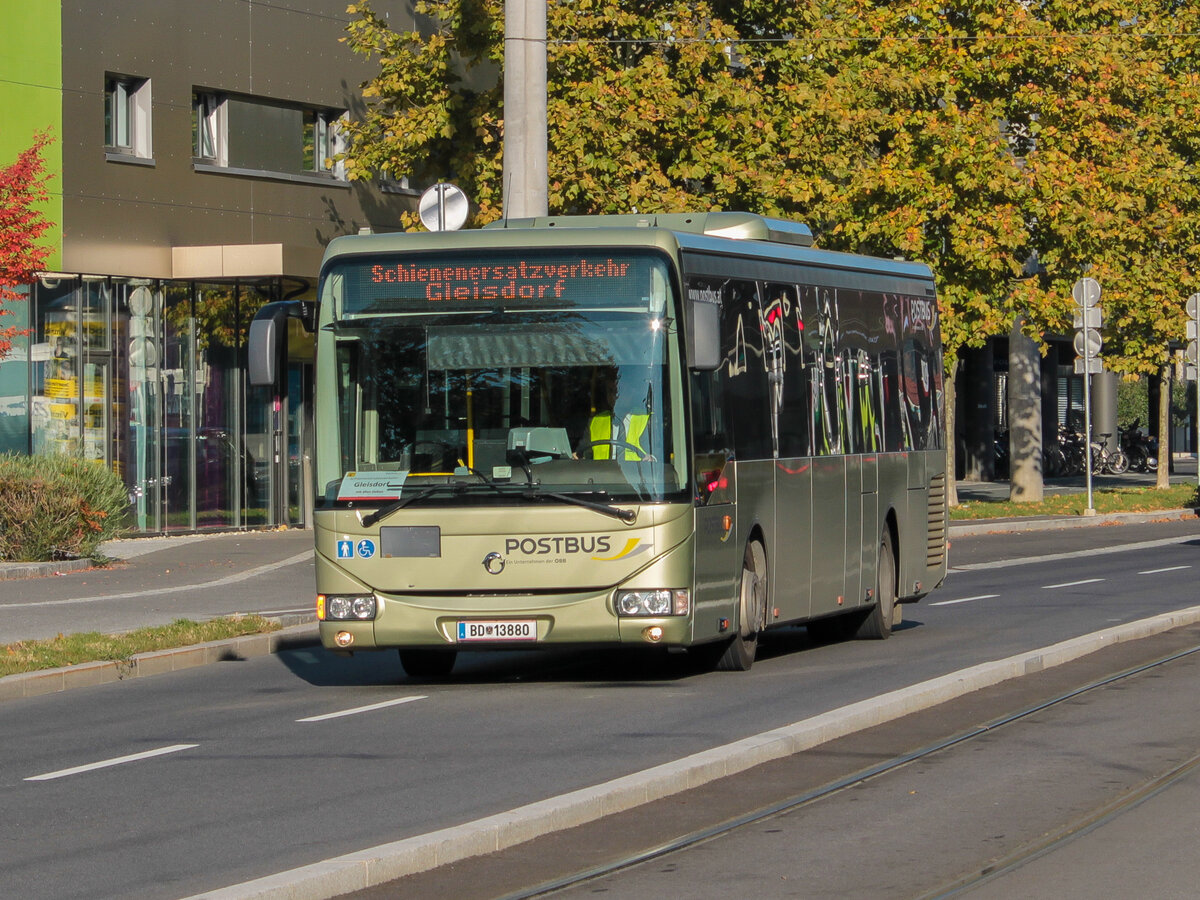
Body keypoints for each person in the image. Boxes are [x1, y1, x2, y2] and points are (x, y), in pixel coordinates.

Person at [577, 369, 650, 460]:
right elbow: (583, 454)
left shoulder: (646, 420)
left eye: (619, 391)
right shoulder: (596, 421)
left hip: (636, 473)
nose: (615, 396)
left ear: (631, 393)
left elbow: (656, 457)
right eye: (611, 391)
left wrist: (651, 459)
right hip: (600, 473)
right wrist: (577, 457)